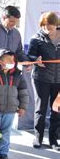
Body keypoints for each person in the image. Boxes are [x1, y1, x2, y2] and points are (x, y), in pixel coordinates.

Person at [28, 12, 60, 150]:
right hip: (41, 78)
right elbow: (29, 55)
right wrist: (35, 60)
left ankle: (53, 140)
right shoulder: (36, 38)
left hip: (58, 79)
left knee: (57, 109)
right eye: (44, 25)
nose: (47, 28)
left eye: (50, 25)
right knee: (40, 108)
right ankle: (38, 137)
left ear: (56, 24)